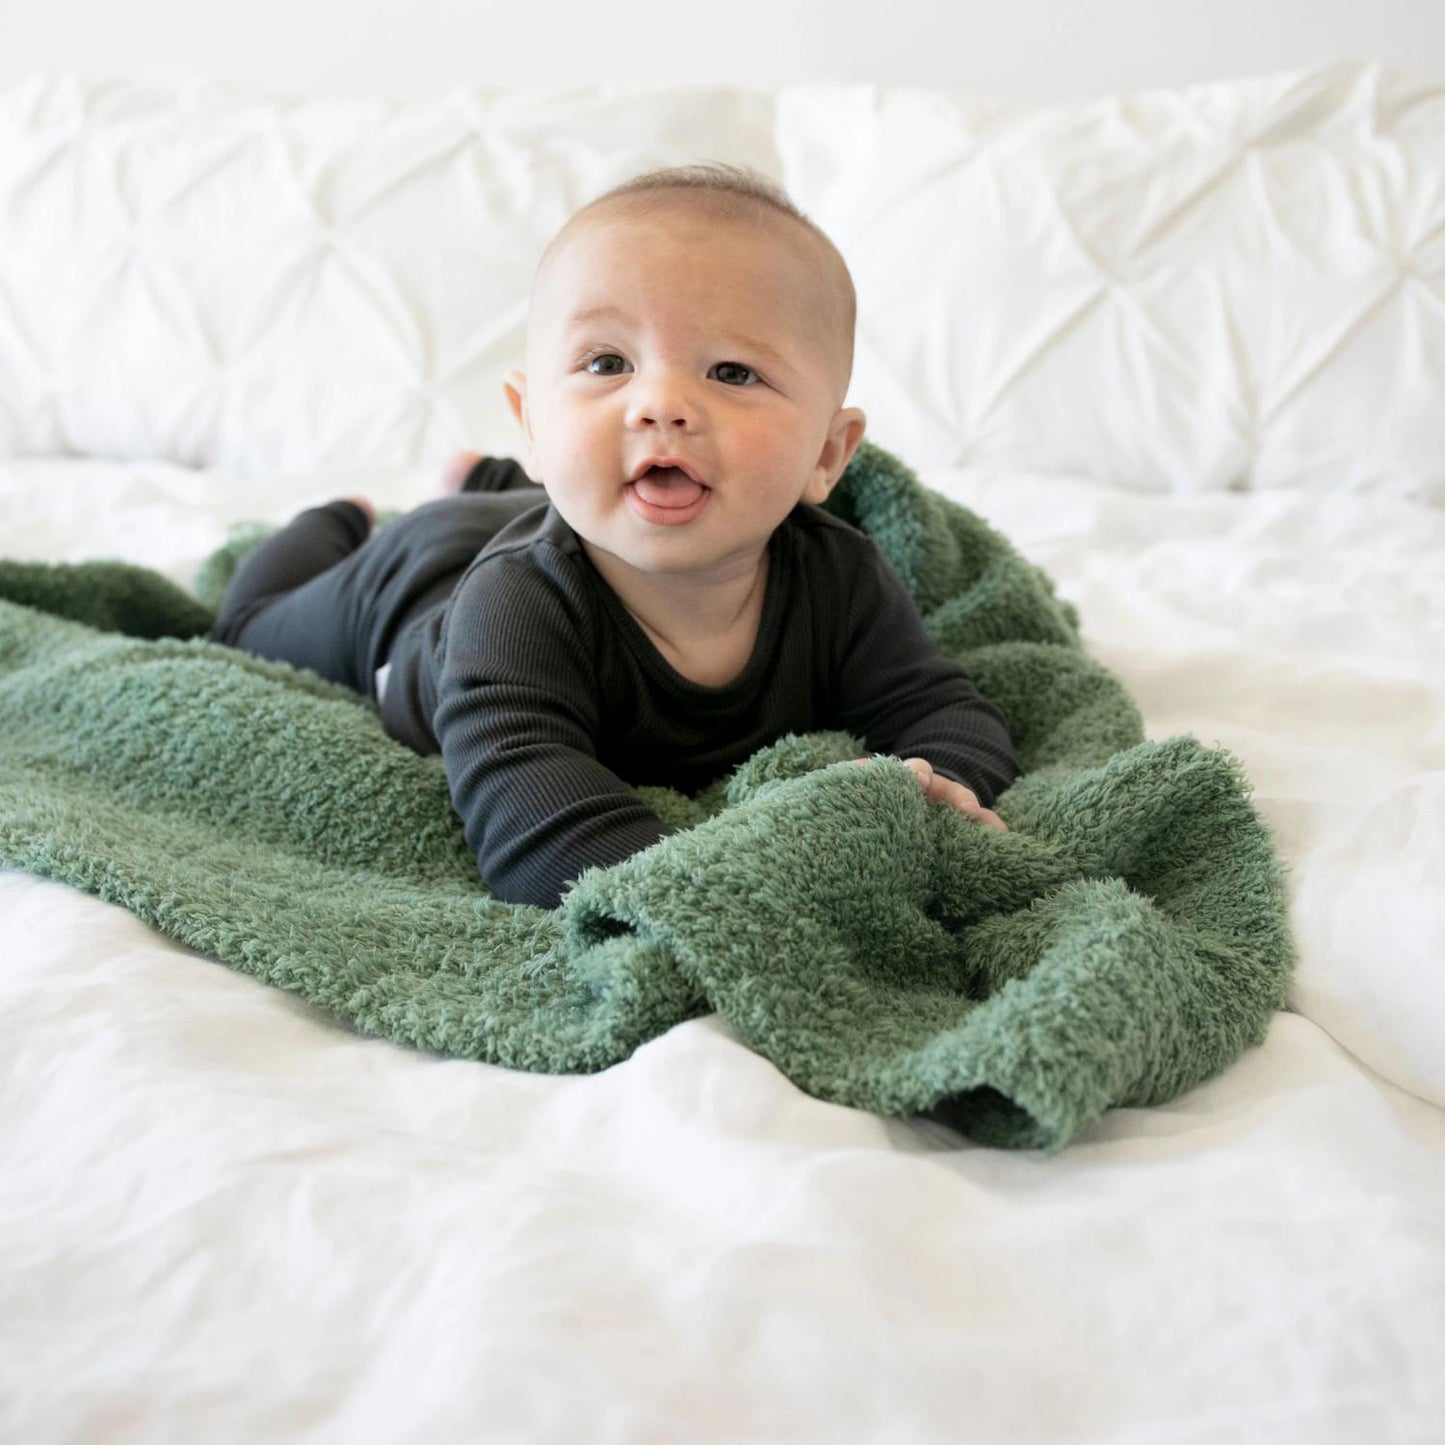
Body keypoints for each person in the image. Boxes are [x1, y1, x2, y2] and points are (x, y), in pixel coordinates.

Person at [210, 162, 1020, 908]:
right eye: (606, 363)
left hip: (539, 514)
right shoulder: (514, 607)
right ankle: (343, 516)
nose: (660, 402)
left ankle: (490, 482)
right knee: (248, 628)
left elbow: (944, 710)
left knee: (563, 497)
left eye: (731, 372)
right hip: (413, 587)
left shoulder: (837, 576)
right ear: (532, 419)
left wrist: (937, 783)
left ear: (827, 454)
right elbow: (541, 837)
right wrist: (743, 882)